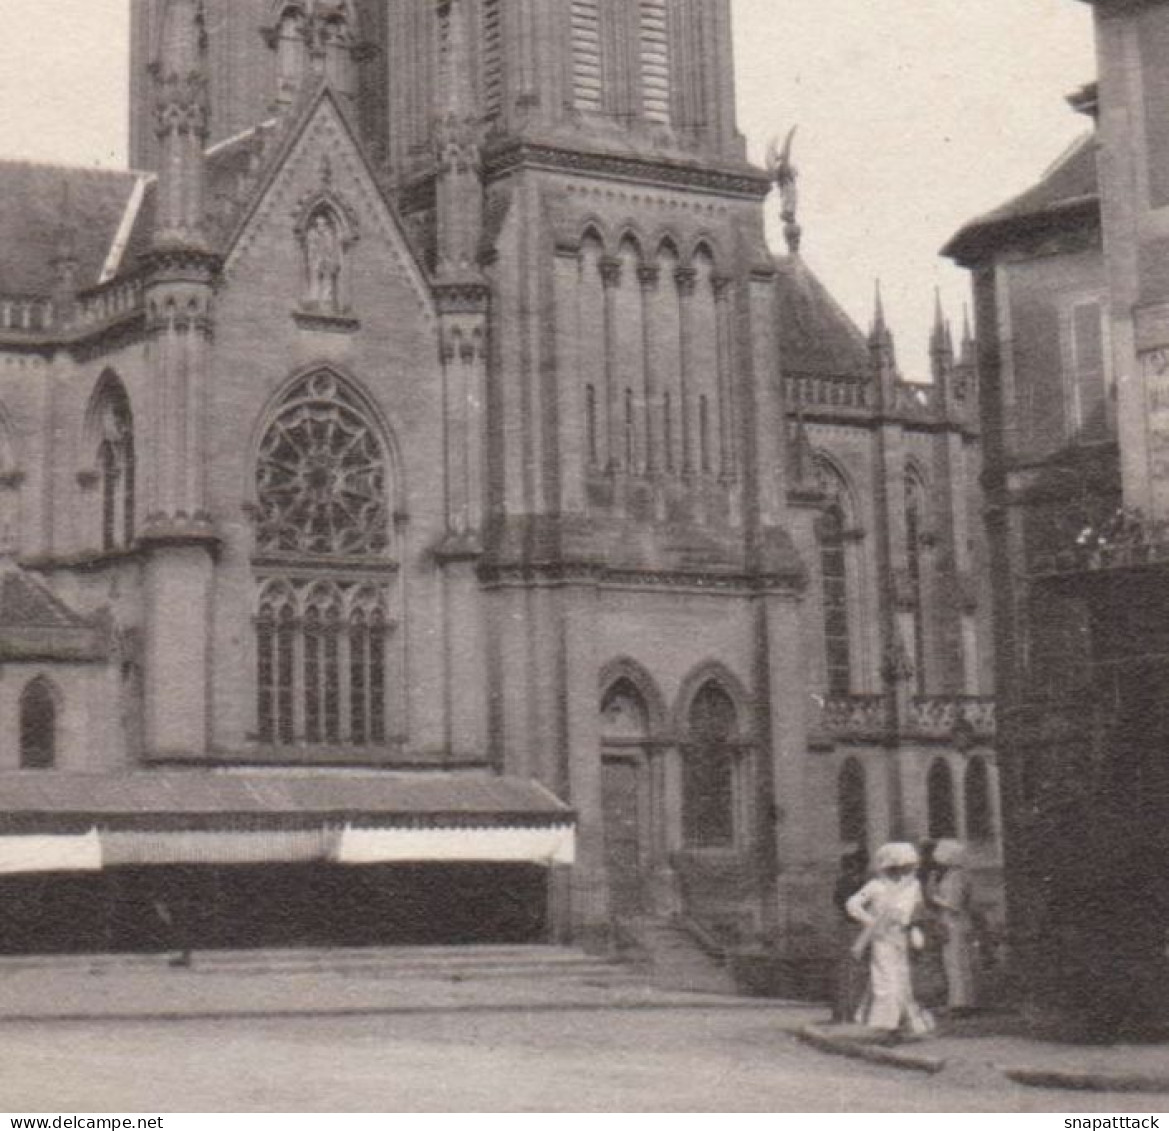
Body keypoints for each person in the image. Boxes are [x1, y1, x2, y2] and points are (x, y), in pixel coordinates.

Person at [846, 841, 935, 1040]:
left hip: (902, 937)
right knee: (885, 980)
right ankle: (887, 1026)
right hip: (882, 939)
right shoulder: (876, 886)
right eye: (902, 866)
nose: (906, 871)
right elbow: (852, 904)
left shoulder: (913, 886)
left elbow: (918, 911)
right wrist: (870, 922)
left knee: (902, 980)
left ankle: (901, 1025)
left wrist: (915, 929)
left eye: (909, 866)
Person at [928, 838, 977, 1014]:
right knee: (957, 962)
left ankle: (960, 1003)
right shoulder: (957, 875)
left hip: (954, 922)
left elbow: (953, 904)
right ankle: (962, 1001)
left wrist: (934, 898)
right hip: (956, 921)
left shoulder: (955, 877)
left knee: (955, 962)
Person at [831, 847, 870, 1022]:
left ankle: (846, 1011)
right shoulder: (860, 882)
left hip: (850, 926)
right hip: (858, 926)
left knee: (848, 970)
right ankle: (852, 1011)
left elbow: (838, 902)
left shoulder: (845, 881)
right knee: (856, 970)